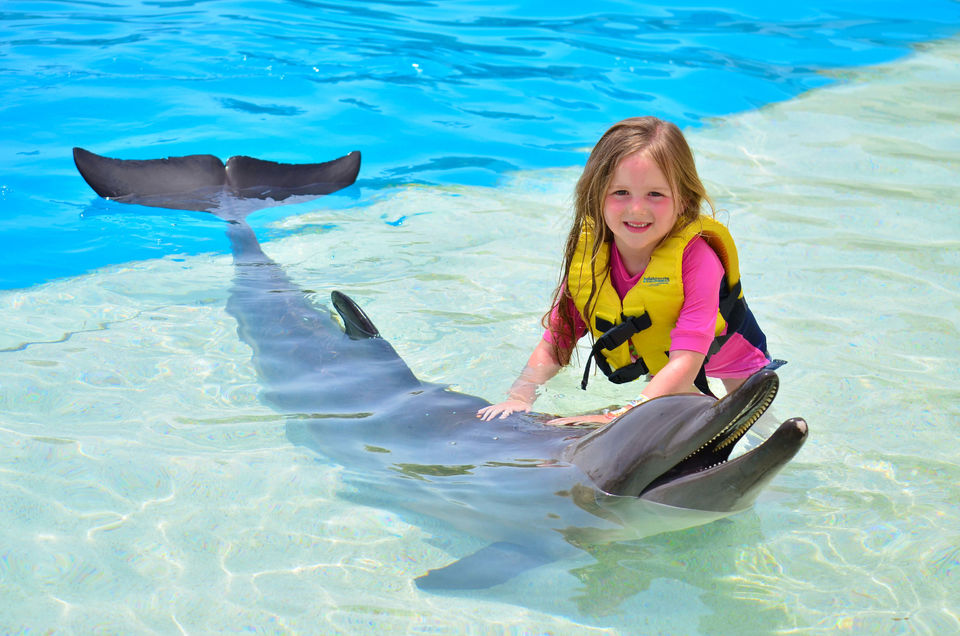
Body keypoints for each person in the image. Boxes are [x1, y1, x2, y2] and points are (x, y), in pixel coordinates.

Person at [477, 116, 774, 425]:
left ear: (684, 201)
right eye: (620, 193)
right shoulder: (592, 258)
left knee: (751, 419)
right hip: (662, 359)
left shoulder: (698, 260)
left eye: (655, 194)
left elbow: (686, 361)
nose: (637, 209)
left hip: (728, 356)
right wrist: (521, 394)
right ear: (596, 196)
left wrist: (620, 416)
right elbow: (557, 341)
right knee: (663, 398)